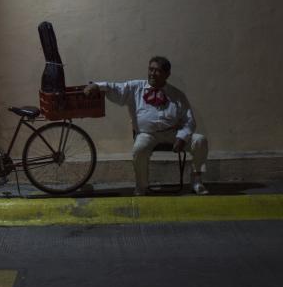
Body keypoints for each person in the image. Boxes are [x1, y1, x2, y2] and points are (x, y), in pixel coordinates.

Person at [83, 56, 209, 196]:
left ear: (167, 74)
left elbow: (189, 121)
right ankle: (142, 186)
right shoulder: (136, 87)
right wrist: (96, 86)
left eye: (158, 71)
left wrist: (182, 137)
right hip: (147, 134)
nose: (152, 73)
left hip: (174, 133)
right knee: (139, 149)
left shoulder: (177, 94)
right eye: (151, 69)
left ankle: (197, 181)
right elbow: (114, 87)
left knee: (200, 140)